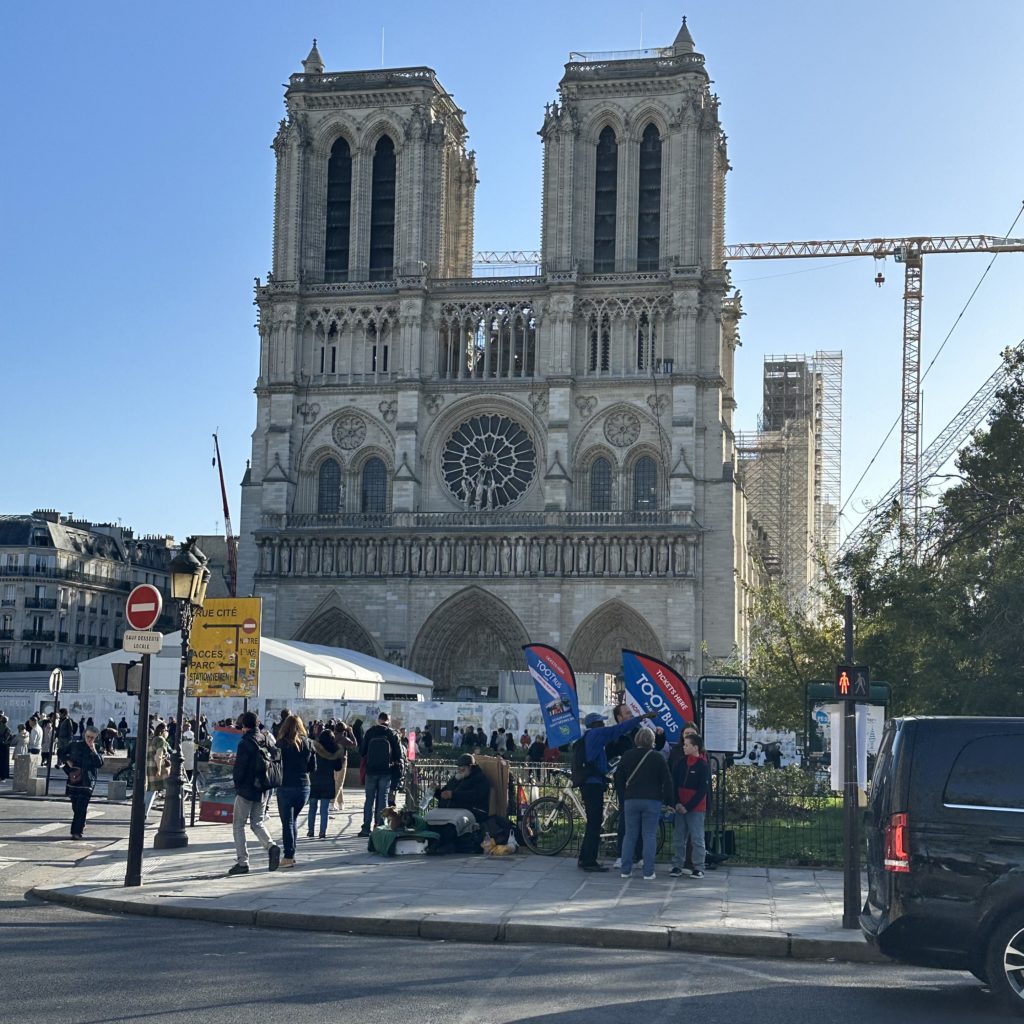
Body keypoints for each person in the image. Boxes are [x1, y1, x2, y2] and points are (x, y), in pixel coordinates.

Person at [577, 709, 650, 872]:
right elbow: (619, 729)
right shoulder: (596, 734)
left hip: (591, 782)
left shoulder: (589, 737)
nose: (604, 724)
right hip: (592, 784)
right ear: (595, 725)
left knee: (592, 822)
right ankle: (590, 861)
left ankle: (584, 857)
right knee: (595, 823)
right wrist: (641, 717)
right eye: (601, 722)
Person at [615, 727, 674, 880]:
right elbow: (667, 781)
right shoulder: (658, 758)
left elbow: (618, 776)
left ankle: (625, 870)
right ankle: (648, 872)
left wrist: (623, 794)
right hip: (652, 800)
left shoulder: (627, 755)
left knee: (630, 835)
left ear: (637, 740)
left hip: (631, 799)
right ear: (652, 741)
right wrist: (669, 801)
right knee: (649, 835)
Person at [228, 710, 280, 875]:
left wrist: (237, 786)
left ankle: (242, 862)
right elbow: (276, 754)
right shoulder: (265, 738)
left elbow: (240, 768)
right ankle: (271, 846)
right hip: (263, 788)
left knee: (238, 825)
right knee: (257, 822)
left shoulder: (245, 742)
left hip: (246, 789)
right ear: (258, 724)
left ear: (244, 725)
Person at [276, 714, 316, 867]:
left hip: (286, 786)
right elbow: (313, 767)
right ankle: (291, 854)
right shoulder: (308, 743)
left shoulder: (280, 744)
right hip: (304, 787)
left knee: (288, 822)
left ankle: (288, 856)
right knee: (292, 820)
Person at [671, 732, 710, 879]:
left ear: (695, 747)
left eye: (687, 745)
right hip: (680, 805)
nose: (684, 747)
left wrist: (688, 806)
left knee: (697, 838)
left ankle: (699, 866)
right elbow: (674, 783)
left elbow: (702, 790)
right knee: (679, 837)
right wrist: (677, 802)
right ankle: (677, 865)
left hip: (695, 808)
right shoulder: (680, 763)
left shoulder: (703, 765)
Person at [358, 712, 401, 838]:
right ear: (388, 720)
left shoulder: (370, 732)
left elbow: (362, 751)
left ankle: (365, 828)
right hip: (385, 772)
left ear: (379, 720)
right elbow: (398, 754)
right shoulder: (391, 733)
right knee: (382, 799)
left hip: (370, 771)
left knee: (369, 800)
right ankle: (380, 826)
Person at [62, 726, 104, 840]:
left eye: (92, 737)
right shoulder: (75, 744)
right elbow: (61, 751)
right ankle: (81, 822)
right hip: (74, 779)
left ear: (96, 738)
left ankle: (76, 832)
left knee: (81, 807)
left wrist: (94, 750)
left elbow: (100, 764)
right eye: (88, 736)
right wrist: (67, 760)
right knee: (75, 805)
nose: (89, 739)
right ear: (84, 735)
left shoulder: (98, 748)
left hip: (87, 781)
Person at [436, 753, 491, 822]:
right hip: (450, 812)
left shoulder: (480, 779)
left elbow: (475, 796)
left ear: (470, 767)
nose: (459, 770)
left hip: (471, 812)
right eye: (458, 768)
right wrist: (436, 791)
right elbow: (444, 794)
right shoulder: (457, 778)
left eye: (462, 768)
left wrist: (453, 795)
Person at [308, 727, 341, 839]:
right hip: (327, 782)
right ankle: (322, 832)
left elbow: (309, 764)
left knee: (312, 807)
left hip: (314, 781)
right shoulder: (334, 751)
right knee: (324, 809)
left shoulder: (314, 748)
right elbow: (338, 768)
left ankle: (310, 831)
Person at [144, 722, 170, 819]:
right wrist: (159, 769)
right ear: (163, 731)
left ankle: (143, 811)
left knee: (150, 789)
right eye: (167, 730)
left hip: (148, 767)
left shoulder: (151, 739)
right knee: (171, 787)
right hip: (157, 767)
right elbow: (158, 756)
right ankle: (169, 813)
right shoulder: (161, 740)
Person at [331, 721, 357, 811]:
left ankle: (341, 803)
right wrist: (351, 732)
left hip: (332, 761)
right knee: (339, 782)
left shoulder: (332, 737)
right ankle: (332, 802)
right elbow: (354, 744)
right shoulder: (344, 739)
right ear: (344, 730)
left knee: (336, 781)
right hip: (342, 761)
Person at [0, 714, 14, 781]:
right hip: (4, 747)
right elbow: (9, 739)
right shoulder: (7, 729)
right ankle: (3, 776)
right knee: (4, 762)